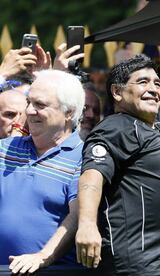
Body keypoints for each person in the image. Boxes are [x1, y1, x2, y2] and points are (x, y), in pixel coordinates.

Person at [75, 18, 160, 275]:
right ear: (117, 93)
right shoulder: (116, 126)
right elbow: (92, 176)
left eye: (155, 83)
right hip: (135, 267)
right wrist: (87, 224)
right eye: (142, 83)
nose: (153, 90)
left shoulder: (154, 123)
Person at [0, 69, 85, 274]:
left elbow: (78, 215)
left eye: (40, 105)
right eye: (29, 102)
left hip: (51, 272)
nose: (28, 111)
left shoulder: (83, 157)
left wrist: (43, 257)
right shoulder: (5, 148)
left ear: (69, 112)